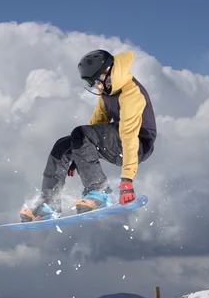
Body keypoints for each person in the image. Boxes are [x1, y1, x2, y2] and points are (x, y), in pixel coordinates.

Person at [20, 49, 157, 222]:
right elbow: (96, 123)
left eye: (95, 81)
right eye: (90, 82)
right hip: (117, 137)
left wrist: (127, 179)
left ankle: (99, 192)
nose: (94, 86)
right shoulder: (108, 88)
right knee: (63, 145)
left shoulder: (131, 94)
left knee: (80, 133)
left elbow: (129, 135)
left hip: (137, 145)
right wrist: (79, 151)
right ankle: (49, 203)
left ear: (107, 73)